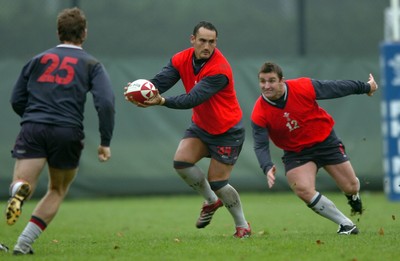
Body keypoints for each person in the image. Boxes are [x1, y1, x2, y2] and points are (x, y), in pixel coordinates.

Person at [125, 21, 251, 238]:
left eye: (211, 42)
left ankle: (242, 225)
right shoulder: (180, 58)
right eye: (202, 40)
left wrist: (161, 101)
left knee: (218, 182)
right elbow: (159, 82)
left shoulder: (219, 70)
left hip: (227, 131)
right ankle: (211, 202)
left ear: (216, 43)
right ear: (192, 39)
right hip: (202, 127)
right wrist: (139, 89)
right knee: (181, 162)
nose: (207, 46)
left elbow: (193, 98)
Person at [6, 7, 115, 255]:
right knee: (57, 189)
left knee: (23, 182)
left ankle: (18, 190)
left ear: (58, 32)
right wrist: (105, 140)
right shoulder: (91, 64)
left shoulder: (37, 60)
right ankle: (23, 244)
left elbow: (16, 99)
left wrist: (33, 118)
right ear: (84, 33)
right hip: (67, 131)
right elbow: (106, 102)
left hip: (34, 126)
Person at [251, 62, 378, 235]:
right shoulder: (259, 111)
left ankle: (353, 196)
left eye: (271, 80)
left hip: (325, 141)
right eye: (262, 81)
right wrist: (266, 167)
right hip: (296, 152)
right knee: (301, 188)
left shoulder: (302, 86)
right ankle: (345, 224)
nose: (266, 86)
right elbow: (260, 144)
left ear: (282, 80)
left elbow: (335, 88)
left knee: (351, 186)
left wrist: (366, 87)